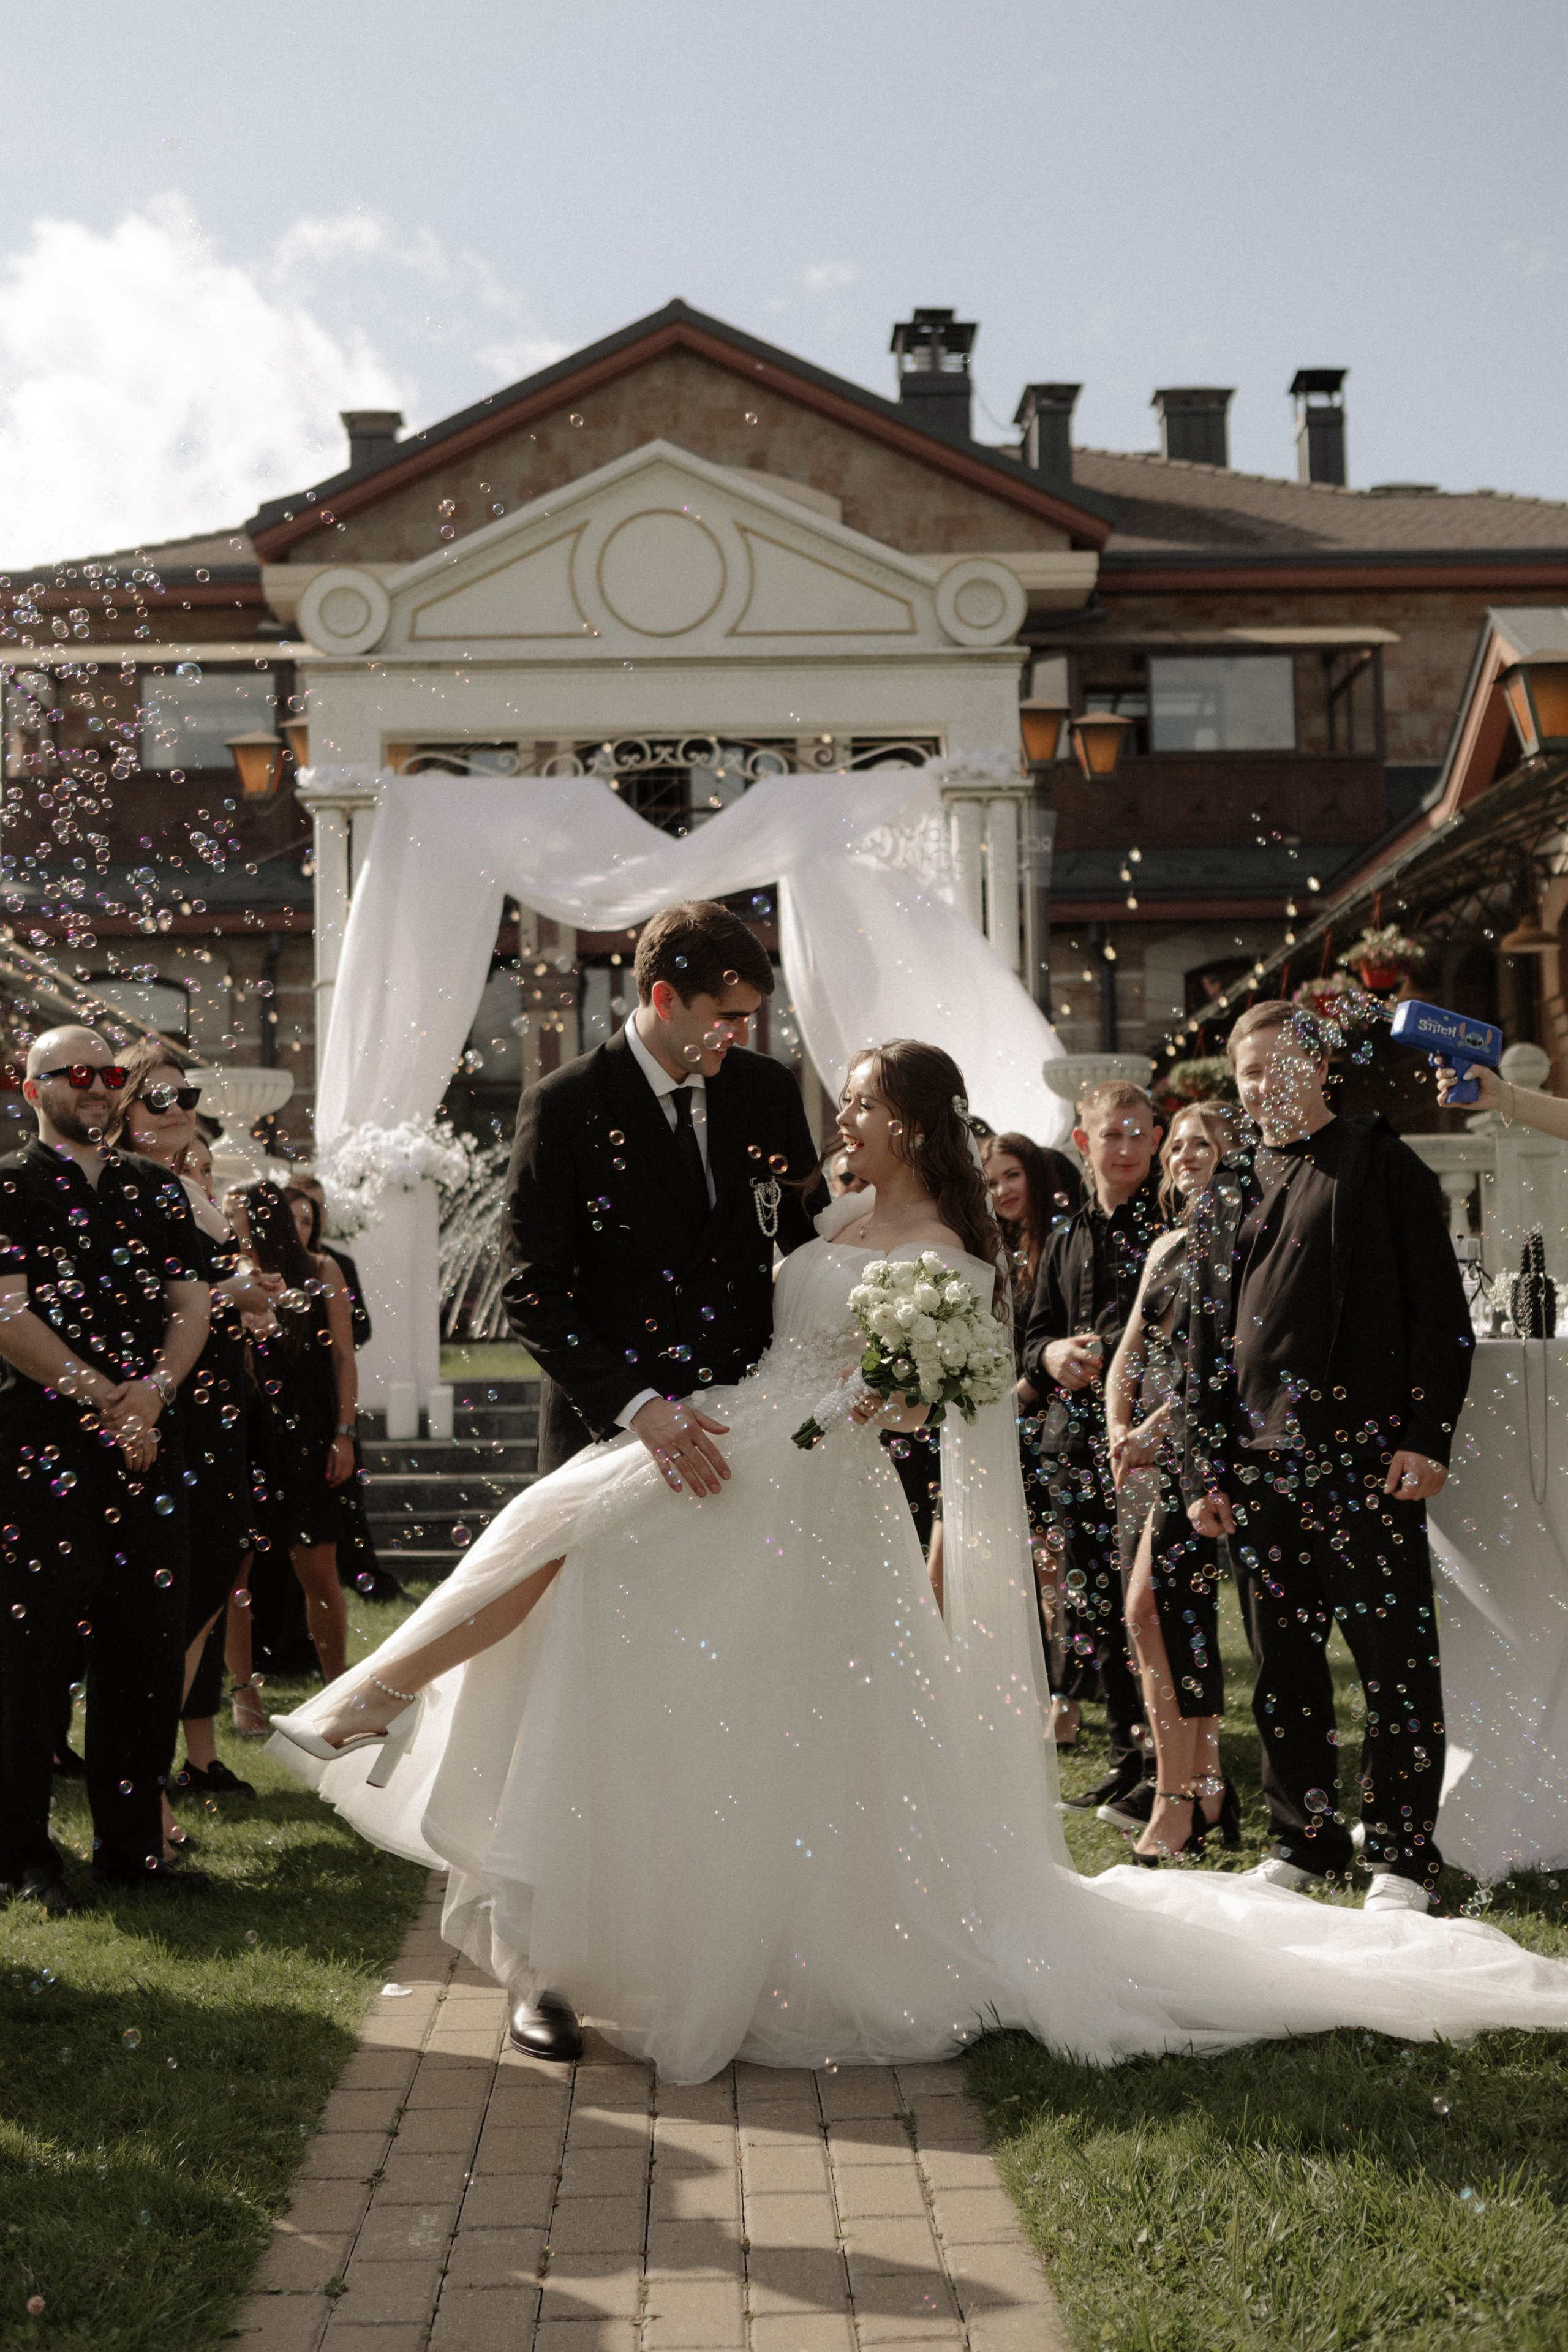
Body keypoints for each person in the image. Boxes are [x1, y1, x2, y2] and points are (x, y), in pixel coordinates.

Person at [267, 1031, 1568, 2081]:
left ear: (909, 1119)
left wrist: (872, 1402)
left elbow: (927, 1400)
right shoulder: (823, 1212)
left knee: (630, 1590)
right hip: (737, 1440)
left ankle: (408, 1730)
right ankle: (430, 1757)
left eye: (862, 1106)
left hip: (803, 1485)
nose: (840, 1122)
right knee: (570, 1550)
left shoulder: (946, 1259)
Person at [1185, 1002, 1473, 1912]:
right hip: (1259, 1471)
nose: (1261, 1085)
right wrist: (1205, 1472)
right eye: (1247, 1074)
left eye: (1277, 1067)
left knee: (1393, 1663)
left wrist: (1426, 1437)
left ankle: (1400, 1856)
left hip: (1362, 1461)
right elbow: (1198, 1347)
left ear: (1318, 1070)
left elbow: (1440, 1318)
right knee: (1284, 1668)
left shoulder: (1381, 1164)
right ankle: (1304, 1842)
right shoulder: (1227, 1188)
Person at [0, 1025, 210, 1907]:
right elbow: (5, 1317)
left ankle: (131, 1852)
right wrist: (106, 1397)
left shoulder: (155, 1192)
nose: (98, 1087)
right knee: (31, 1655)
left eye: (110, 1073)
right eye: (77, 1073)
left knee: (145, 1647)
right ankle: (21, 1859)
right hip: (40, 1449)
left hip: (147, 1449)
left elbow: (192, 1303)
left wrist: (155, 1395)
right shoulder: (8, 1187)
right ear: (31, 1087)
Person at [102, 1041, 281, 1830]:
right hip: (166, 1413)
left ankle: (148, 1789)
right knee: (168, 1609)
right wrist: (239, 1288)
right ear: (121, 1112)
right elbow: (171, 1294)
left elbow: (230, 1295)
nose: (178, 1110)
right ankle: (144, 1798)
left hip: (215, 1413)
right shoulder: (128, 1192)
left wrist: (252, 1291)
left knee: (199, 1603)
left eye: (185, 1096)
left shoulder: (185, 1189)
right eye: (157, 1099)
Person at [1019, 1082, 1164, 1796]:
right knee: (1095, 1606)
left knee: (1150, 1607)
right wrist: (1049, 1359)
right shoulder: (1065, 1237)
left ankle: (1165, 1764)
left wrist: (1102, 1355)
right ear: (1084, 1143)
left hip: (1145, 1442)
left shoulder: (1171, 1223)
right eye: (1113, 1135)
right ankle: (1126, 1758)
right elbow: (1032, 1335)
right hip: (1070, 1445)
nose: (1128, 1148)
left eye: (1140, 1134)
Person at [1105, 1103, 1240, 1862]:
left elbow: (1221, 1368)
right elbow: (1128, 1352)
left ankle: (1175, 1800)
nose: (1186, 1154)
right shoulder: (1164, 1245)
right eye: (1179, 1145)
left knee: (1150, 1611)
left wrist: (1158, 1434)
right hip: (1146, 1460)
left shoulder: (1240, 1238)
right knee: (1162, 1623)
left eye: (1203, 1144)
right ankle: (1207, 1782)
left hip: (1201, 1455)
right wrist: (1117, 1429)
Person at [984, 1131, 1084, 1743]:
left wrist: (1017, 1398)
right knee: (1024, 1567)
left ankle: (1065, 1702)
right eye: (991, 1181)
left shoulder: (1062, 1244)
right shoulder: (999, 1251)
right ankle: (1035, 1690)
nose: (1002, 1191)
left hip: (1046, 1423)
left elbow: (1054, 1342)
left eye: (1011, 1176)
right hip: (1006, 1425)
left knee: (1054, 1569)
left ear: (1039, 1175)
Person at [242, 1180, 358, 1687]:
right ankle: (244, 1695)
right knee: (237, 1578)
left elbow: (342, 1356)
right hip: (251, 1433)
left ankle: (336, 1684)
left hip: (310, 1432)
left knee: (319, 1572)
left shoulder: (321, 1269)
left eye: (235, 1214)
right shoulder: (229, 1279)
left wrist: (345, 1432)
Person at [284, 1180, 393, 1603]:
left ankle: (363, 1575)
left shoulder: (333, 1264)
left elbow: (359, 1326)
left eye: (314, 1213)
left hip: (324, 1400)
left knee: (344, 1506)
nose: (312, 1222)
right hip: (286, 1412)